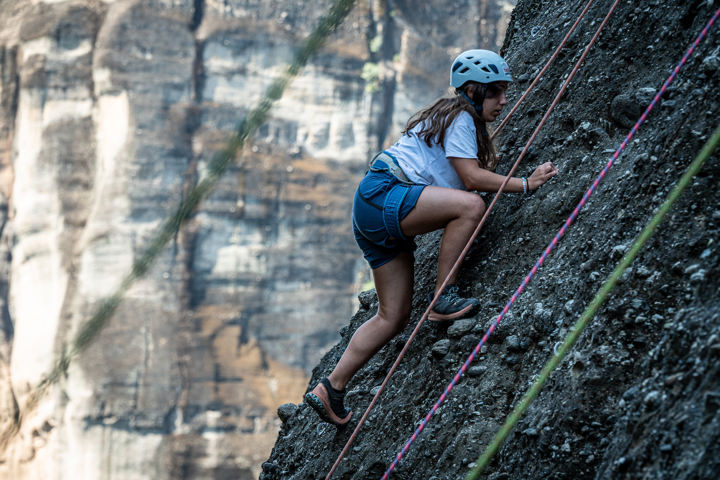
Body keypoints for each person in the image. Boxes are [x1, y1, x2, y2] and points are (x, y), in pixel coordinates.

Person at [305, 49, 559, 425]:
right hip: (384, 197)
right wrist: (525, 183)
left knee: (393, 316)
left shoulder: (453, 120)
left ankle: (331, 388)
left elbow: (464, 172)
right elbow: (471, 181)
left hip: (371, 207)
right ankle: (443, 297)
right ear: (473, 91)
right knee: (471, 205)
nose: (504, 100)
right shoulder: (460, 118)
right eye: (496, 92)